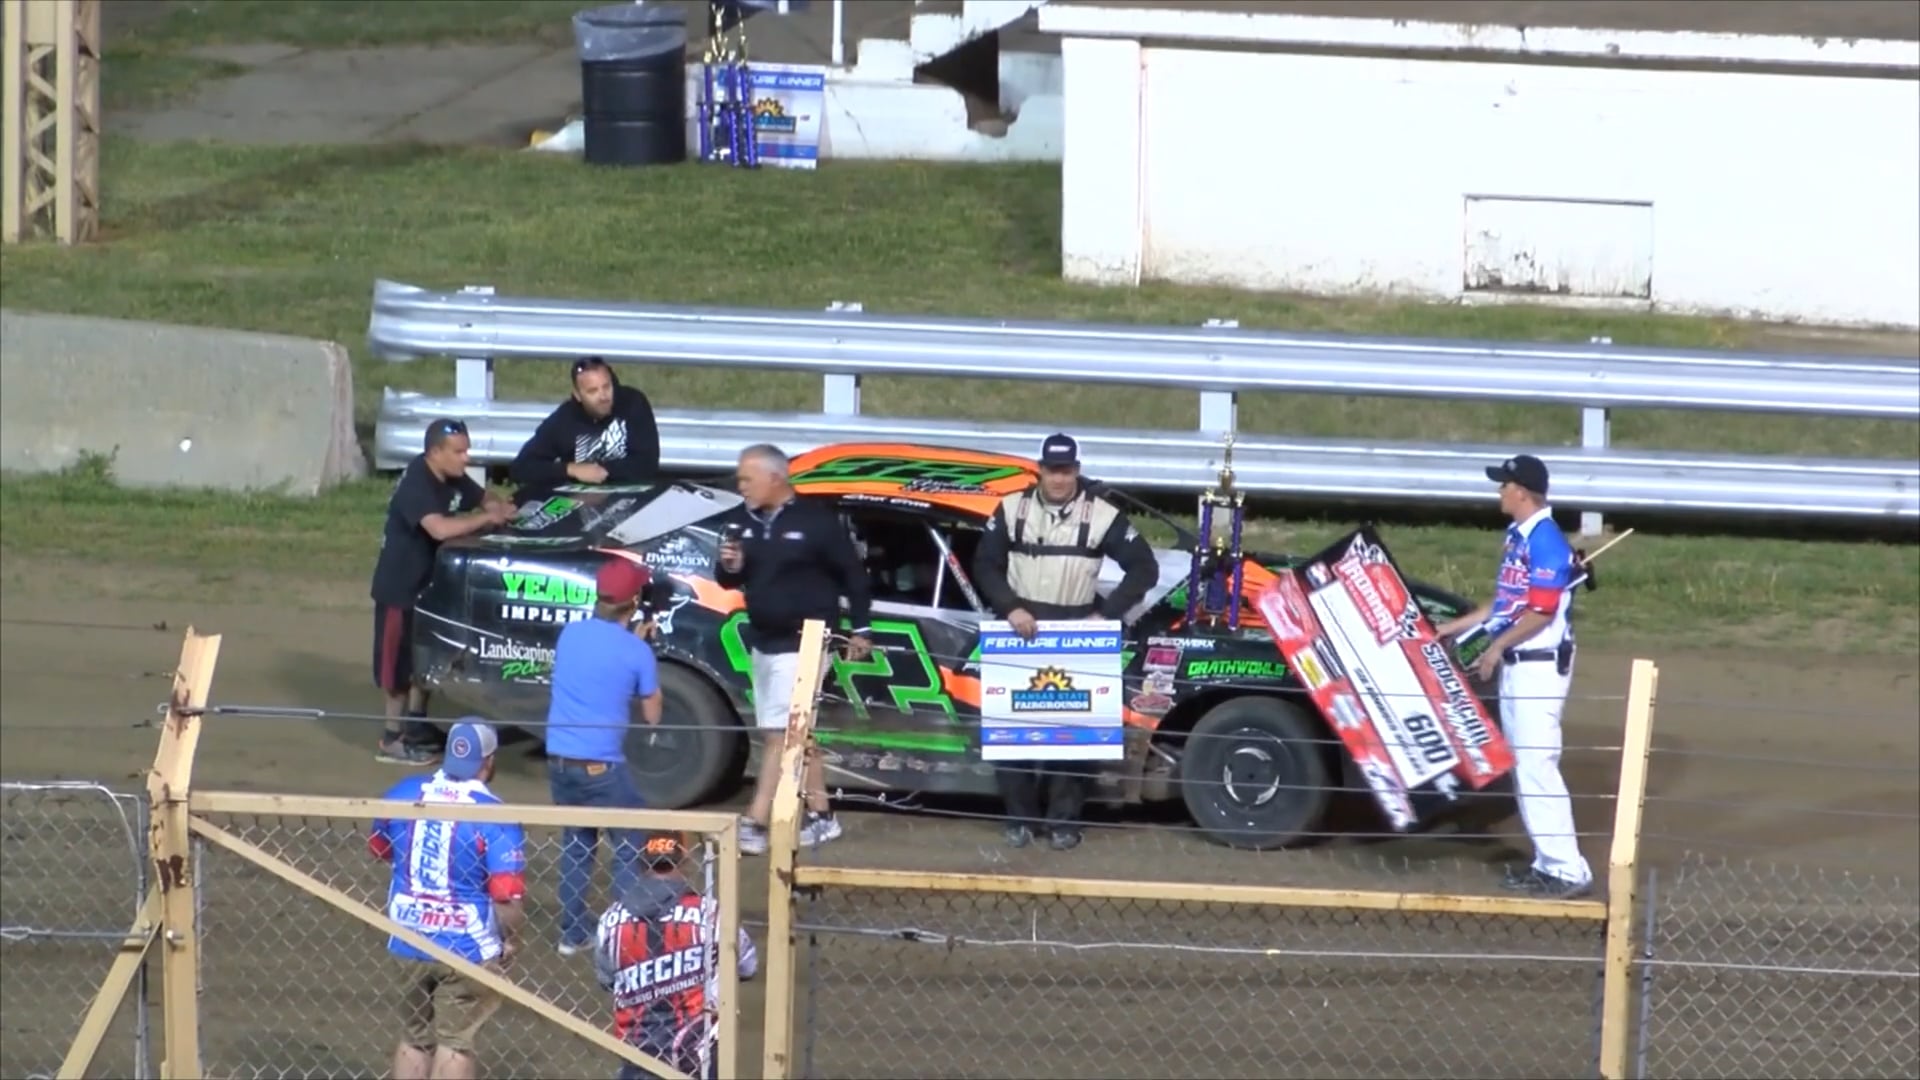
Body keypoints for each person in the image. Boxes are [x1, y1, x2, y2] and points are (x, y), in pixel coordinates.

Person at [972, 433, 1159, 851]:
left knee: (1075, 738)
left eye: (1066, 470)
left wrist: (1105, 616)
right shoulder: (1010, 508)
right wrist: (1009, 608)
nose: (1058, 479)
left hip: (1076, 630)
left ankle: (1064, 823)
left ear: (1076, 469)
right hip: (1019, 628)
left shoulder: (1103, 515)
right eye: (1052, 470)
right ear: (1040, 469)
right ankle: (1020, 820)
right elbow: (984, 564)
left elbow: (1143, 569)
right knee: (1013, 734)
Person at [1434, 453, 1594, 900]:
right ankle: (1548, 864)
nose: (1499, 491)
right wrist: (1455, 627)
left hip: (1538, 666)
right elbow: (1506, 604)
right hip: (1524, 667)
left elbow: (1540, 611)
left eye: (1503, 485)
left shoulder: (1544, 542)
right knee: (1526, 767)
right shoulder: (1521, 536)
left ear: (1521, 491)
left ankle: (1567, 870)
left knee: (1537, 765)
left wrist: (1497, 646)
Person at [714, 443, 873, 856]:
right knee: (795, 733)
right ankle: (822, 816)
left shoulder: (816, 522)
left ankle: (755, 821)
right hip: (764, 640)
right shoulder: (741, 522)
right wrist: (730, 566)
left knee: (779, 735)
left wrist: (862, 629)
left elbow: (853, 575)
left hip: (807, 641)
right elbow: (729, 581)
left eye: (747, 478)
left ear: (775, 478)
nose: (741, 485)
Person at [368, 720, 527, 1080]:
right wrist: (512, 942)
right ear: (488, 762)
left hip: (408, 937)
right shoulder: (496, 816)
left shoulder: (402, 791)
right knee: (456, 1043)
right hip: (467, 948)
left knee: (414, 1037)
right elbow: (506, 897)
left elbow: (379, 849)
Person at [371, 419, 516, 765]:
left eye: (467, 449)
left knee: (426, 657)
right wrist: (486, 520)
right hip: (399, 590)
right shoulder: (417, 484)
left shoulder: (449, 475)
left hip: (430, 586)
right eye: (459, 451)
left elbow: (483, 497)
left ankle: (417, 725)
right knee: (397, 667)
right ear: (435, 452)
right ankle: (391, 739)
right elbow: (438, 529)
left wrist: (494, 506)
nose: (466, 458)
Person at [545, 556, 665, 956]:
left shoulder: (570, 635)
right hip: (602, 767)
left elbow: (597, 659)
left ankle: (572, 933)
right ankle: (624, 935)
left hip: (559, 761)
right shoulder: (637, 652)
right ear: (634, 601)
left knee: (577, 844)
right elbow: (652, 715)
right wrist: (642, 650)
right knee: (629, 842)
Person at [594, 831, 759, 1080]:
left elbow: (606, 979)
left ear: (641, 864)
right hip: (698, 1056)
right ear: (685, 862)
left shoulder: (610, 919)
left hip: (638, 1053)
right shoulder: (711, 913)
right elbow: (748, 966)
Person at [509, 357, 661, 488]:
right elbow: (522, 467)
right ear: (578, 395)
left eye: (607, 387)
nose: (603, 396)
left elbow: (647, 462)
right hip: (581, 503)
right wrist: (571, 470)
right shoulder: (565, 419)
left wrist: (602, 471)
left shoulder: (632, 404)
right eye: (592, 391)